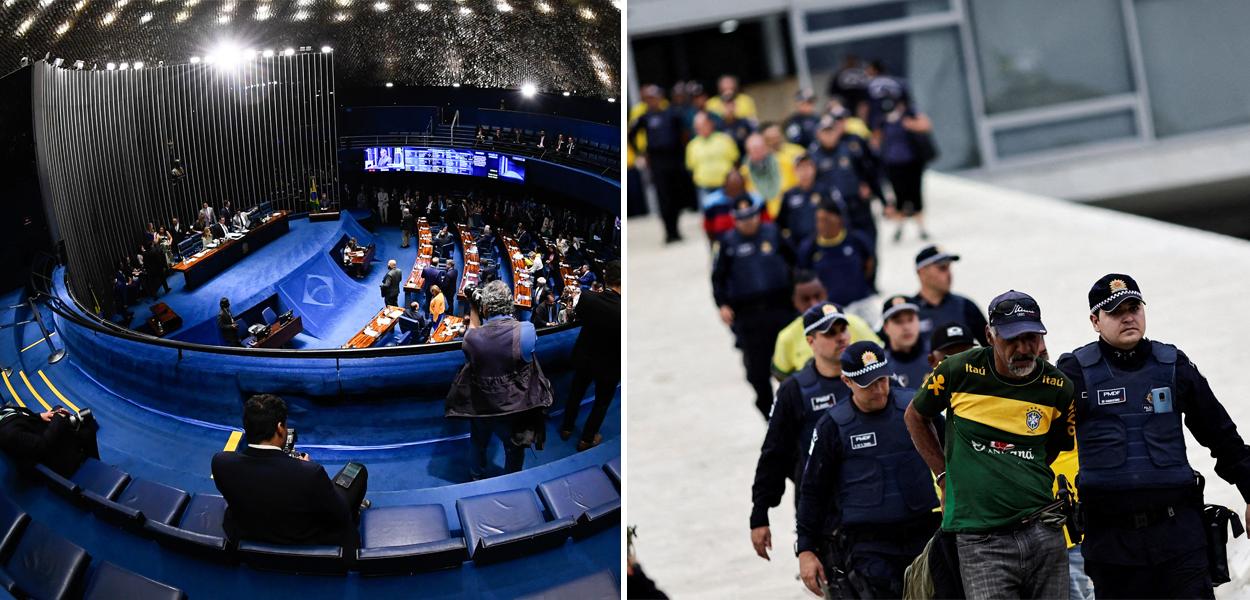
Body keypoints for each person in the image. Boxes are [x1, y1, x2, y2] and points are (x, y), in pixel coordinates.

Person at [1056, 274, 1250, 599]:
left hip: (1178, 537)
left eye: (1134, 307)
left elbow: (1222, 437)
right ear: (1095, 320)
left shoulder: (1174, 366)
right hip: (1112, 545)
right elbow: (1043, 441)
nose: (1128, 317)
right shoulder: (1075, 373)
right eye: (1116, 311)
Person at [905, 290, 1074, 599]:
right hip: (980, 539)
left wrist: (1018, 470)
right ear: (989, 335)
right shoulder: (956, 371)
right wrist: (945, 476)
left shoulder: (1059, 387)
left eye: (1031, 338)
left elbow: (1056, 445)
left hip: (1044, 529)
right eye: (1012, 339)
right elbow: (916, 416)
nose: (1024, 349)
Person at [797, 340, 942, 598]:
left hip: (925, 532)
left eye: (882, 380)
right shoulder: (832, 426)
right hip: (869, 543)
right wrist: (806, 550)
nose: (878, 390)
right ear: (847, 382)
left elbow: (957, 454)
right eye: (867, 384)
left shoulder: (917, 409)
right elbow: (813, 491)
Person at [749, 303, 852, 561]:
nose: (840, 337)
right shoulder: (795, 390)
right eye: (830, 333)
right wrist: (760, 512)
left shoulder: (869, 377)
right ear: (811, 341)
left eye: (843, 329)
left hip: (874, 500)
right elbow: (775, 453)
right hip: (824, 509)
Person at [211, 394, 368, 549]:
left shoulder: (221, 462)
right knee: (356, 469)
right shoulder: (310, 473)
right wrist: (303, 467)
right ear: (280, 428)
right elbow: (339, 515)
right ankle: (356, 515)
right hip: (305, 540)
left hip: (247, 533)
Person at [447, 281, 553, 480]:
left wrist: (473, 306)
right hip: (515, 406)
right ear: (510, 305)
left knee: (478, 443)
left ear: (485, 307)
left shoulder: (471, 339)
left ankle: (476, 476)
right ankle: (511, 480)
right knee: (514, 448)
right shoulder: (527, 330)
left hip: (482, 405)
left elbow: (473, 333)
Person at [711, 196, 796, 418]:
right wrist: (722, 304)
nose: (748, 222)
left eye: (751, 216)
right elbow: (718, 278)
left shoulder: (773, 233)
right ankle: (770, 416)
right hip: (749, 317)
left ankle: (796, 413)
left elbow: (795, 263)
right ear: (734, 220)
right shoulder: (727, 243)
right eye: (742, 219)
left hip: (781, 310)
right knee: (757, 374)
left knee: (793, 366)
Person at [771, 270, 882, 382]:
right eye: (805, 299)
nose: (814, 304)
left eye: (817, 296)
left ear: (826, 292)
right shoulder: (786, 337)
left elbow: (883, 358)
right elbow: (782, 377)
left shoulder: (855, 323)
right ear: (794, 301)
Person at [559, 260, 621, 451]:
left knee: (575, 393)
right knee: (601, 403)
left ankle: (566, 428)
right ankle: (586, 439)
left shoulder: (587, 298)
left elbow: (576, 316)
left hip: (585, 358)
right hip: (610, 366)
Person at [628, 84, 688, 244]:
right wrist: (640, 153)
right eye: (647, 99)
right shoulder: (644, 117)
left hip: (673, 159)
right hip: (657, 161)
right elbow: (630, 135)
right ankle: (669, 231)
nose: (651, 101)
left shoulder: (672, 113)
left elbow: (683, 134)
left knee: (676, 196)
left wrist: (682, 155)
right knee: (664, 198)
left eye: (653, 98)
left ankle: (676, 229)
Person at [809, 112, 879, 247]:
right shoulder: (813, 156)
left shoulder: (850, 148)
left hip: (857, 205)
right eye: (825, 131)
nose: (829, 135)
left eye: (831, 130)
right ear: (818, 134)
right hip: (833, 212)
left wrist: (868, 187)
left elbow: (867, 170)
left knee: (869, 240)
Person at [795, 197, 874, 308]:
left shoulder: (857, 240)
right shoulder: (809, 247)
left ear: (839, 219)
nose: (821, 225)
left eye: (825, 220)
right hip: (830, 307)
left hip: (861, 303)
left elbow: (869, 265)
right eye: (818, 220)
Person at [877, 100, 934, 242]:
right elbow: (876, 141)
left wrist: (909, 124)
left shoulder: (909, 114)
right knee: (899, 197)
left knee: (916, 195)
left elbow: (926, 125)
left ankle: (921, 228)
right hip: (893, 165)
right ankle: (899, 228)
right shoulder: (882, 122)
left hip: (912, 163)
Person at [910, 245, 988, 346]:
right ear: (922, 272)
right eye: (942, 268)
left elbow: (992, 348)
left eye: (949, 268)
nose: (949, 274)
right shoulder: (907, 313)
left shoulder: (965, 306)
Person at [0, 403, 99, 477]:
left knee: (60, 410)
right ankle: (93, 470)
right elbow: (42, 446)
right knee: (87, 431)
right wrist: (58, 418)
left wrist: (39, 416)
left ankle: (95, 465)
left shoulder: (4, 410)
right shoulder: (8, 433)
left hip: (44, 435)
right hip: (51, 459)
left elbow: (21, 416)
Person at [685, 111, 741, 217]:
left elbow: (736, 161)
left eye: (703, 125)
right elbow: (690, 167)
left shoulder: (724, 139)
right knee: (709, 217)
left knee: (730, 214)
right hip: (704, 187)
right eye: (697, 126)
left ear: (710, 124)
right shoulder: (692, 145)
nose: (701, 128)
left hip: (725, 187)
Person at [775, 155, 832, 252]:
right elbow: (780, 223)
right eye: (800, 168)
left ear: (814, 169)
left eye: (807, 167)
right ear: (794, 171)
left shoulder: (824, 191)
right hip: (799, 246)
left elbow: (837, 216)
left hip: (824, 243)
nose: (804, 172)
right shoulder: (789, 195)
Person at [879, 295, 929, 388]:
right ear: (886, 328)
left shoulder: (938, 355)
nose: (906, 327)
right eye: (898, 321)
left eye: (910, 320)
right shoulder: (880, 368)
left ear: (918, 321)